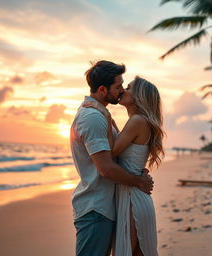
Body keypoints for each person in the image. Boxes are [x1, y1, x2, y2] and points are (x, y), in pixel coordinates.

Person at [70, 60, 154, 256]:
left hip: (107, 206)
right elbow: (106, 168)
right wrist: (139, 180)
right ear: (102, 89)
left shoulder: (102, 115)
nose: (121, 90)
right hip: (96, 208)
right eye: (117, 86)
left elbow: (117, 154)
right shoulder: (93, 117)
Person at [83, 76, 164, 256]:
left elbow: (110, 152)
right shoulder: (139, 122)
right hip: (134, 196)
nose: (123, 90)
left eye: (128, 87)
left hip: (132, 199)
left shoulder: (137, 121)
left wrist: (105, 114)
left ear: (139, 96)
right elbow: (123, 151)